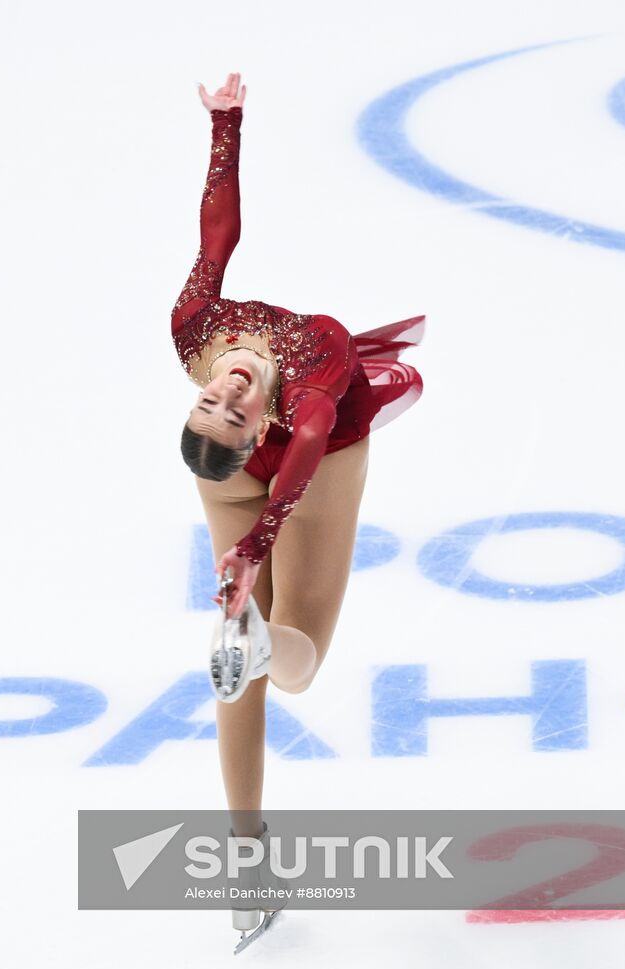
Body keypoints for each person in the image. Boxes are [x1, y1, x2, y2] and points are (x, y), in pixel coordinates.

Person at [170, 73, 424, 846]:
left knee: (263, 651)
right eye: (223, 407)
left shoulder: (202, 334)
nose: (224, 390)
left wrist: (226, 123)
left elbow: (216, 237)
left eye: (213, 400)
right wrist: (251, 539)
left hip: (279, 469)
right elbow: (297, 447)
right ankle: (244, 841)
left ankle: (246, 834)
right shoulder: (296, 369)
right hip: (260, 482)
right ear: (244, 440)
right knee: (287, 663)